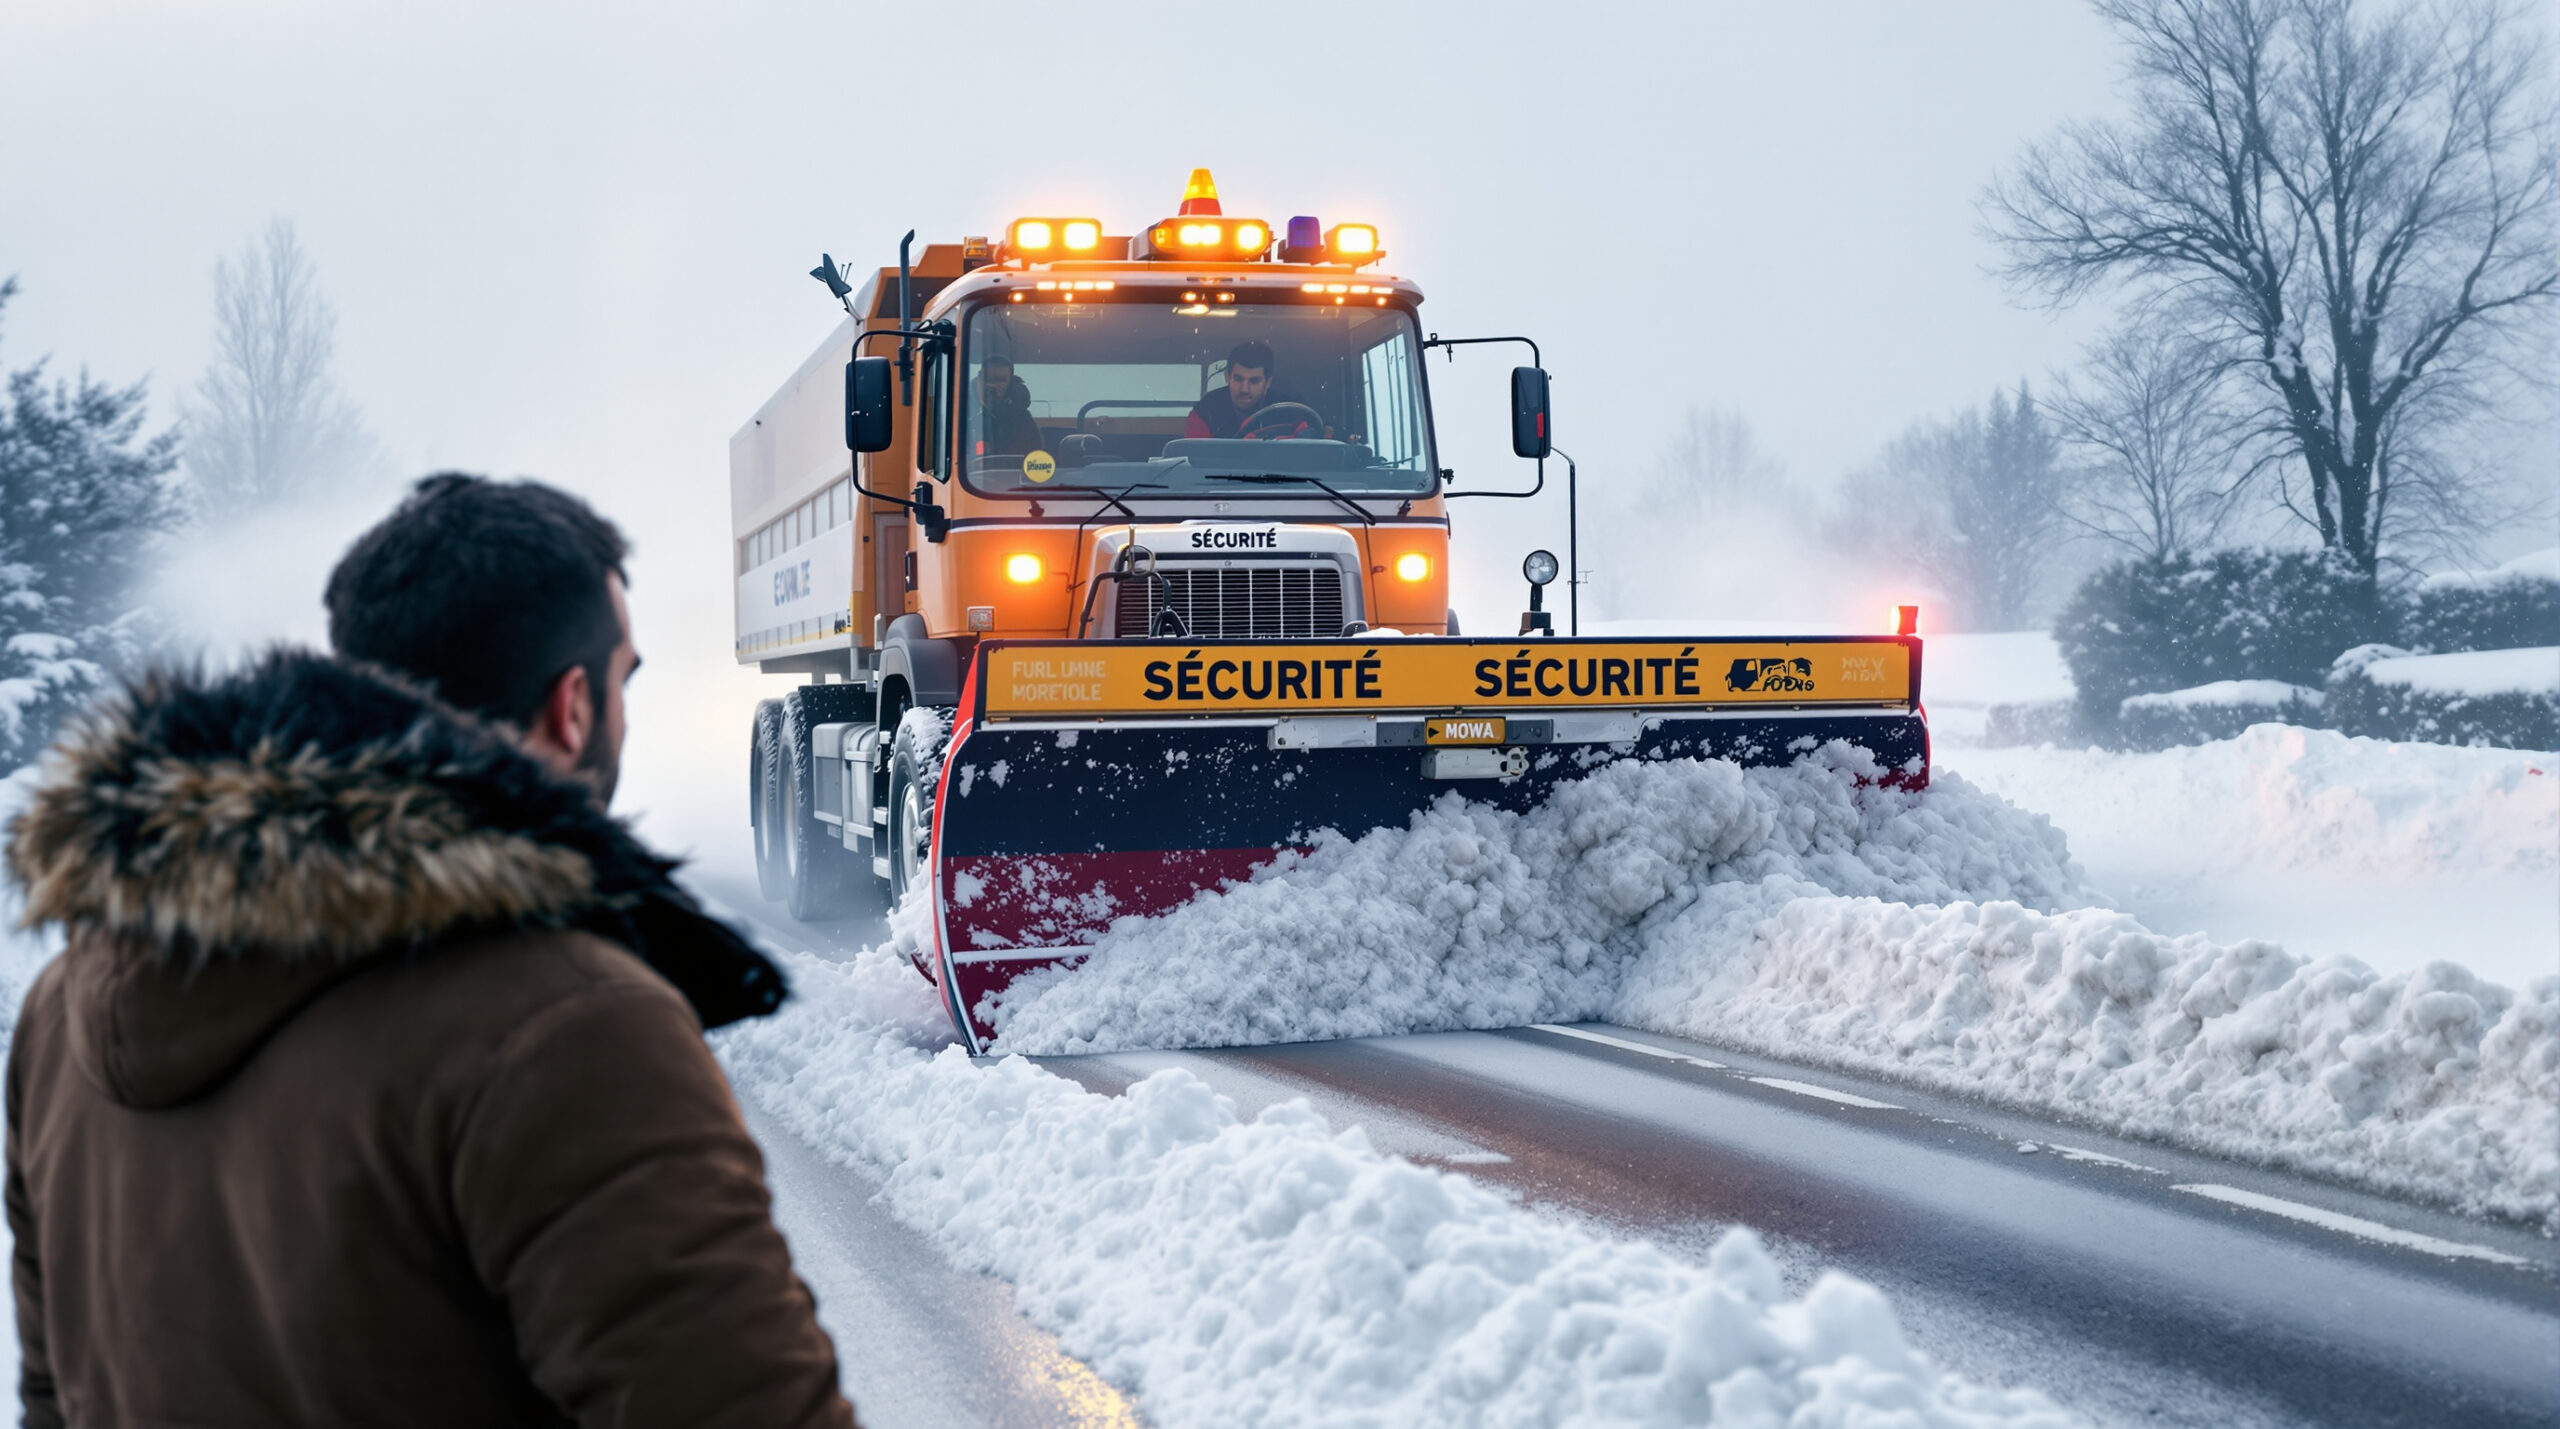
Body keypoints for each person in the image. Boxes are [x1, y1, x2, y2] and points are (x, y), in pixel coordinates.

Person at [4, 474, 859, 1428]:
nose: (624, 711)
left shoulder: (58, 1016)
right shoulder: (566, 1028)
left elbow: (51, 1403)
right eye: (624, 680)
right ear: (573, 706)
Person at [1185, 339, 1315, 438]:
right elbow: (1195, 459)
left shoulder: (1290, 413)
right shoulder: (1206, 412)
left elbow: (1305, 451)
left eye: (1254, 381)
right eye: (1238, 379)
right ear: (1227, 377)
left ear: (1268, 382)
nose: (1244, 389)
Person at [973, 356, 1046, 457]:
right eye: (987, 380)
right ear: (979, 384)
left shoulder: (1023, 421)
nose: (993, 386)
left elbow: (1033, 458)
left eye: (999, 380)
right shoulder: (969, 422)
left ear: (1011, 385)